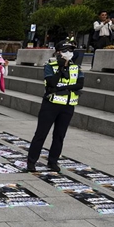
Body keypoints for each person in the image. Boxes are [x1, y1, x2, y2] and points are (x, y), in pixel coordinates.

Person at [27, 40, 84, 173]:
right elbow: (51, 83)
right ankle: (31, 162)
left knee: (59, 135)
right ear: (58, 52)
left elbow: (79, 84)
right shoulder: (50, 66)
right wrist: (60, 69)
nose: (68, 53)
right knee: (41, 134)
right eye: (65, 51)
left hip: (68, 106)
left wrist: (63, 87)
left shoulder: (76, 67)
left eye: (70, 51)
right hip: (51, 105)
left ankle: (53, 161)